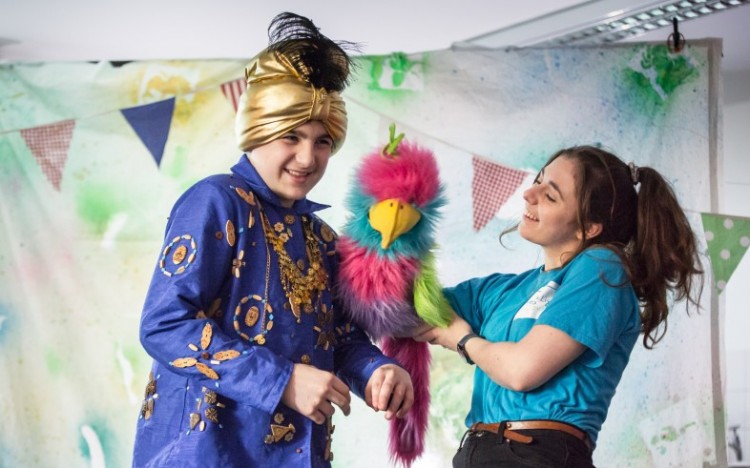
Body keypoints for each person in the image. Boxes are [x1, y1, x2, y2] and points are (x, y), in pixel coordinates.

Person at [132, 12, 413, 467]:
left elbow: (340, 335)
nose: (308, 157)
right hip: (207, 453)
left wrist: (377, 370)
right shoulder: (216, 200)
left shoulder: (320, 237)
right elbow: (164, 324)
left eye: (323, 141)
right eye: (292, 136)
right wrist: (281, 380)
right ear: (260, 129)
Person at [414, 145, 703, 467]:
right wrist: (388, 234)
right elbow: (402, 311)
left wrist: (461, 339)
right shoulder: (503, 289)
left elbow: (523, 371)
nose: (528, 193)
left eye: (550, 196)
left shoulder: (602, 267)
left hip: (536, 455)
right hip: (478, 452)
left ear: (588, 228)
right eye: (538, 180)